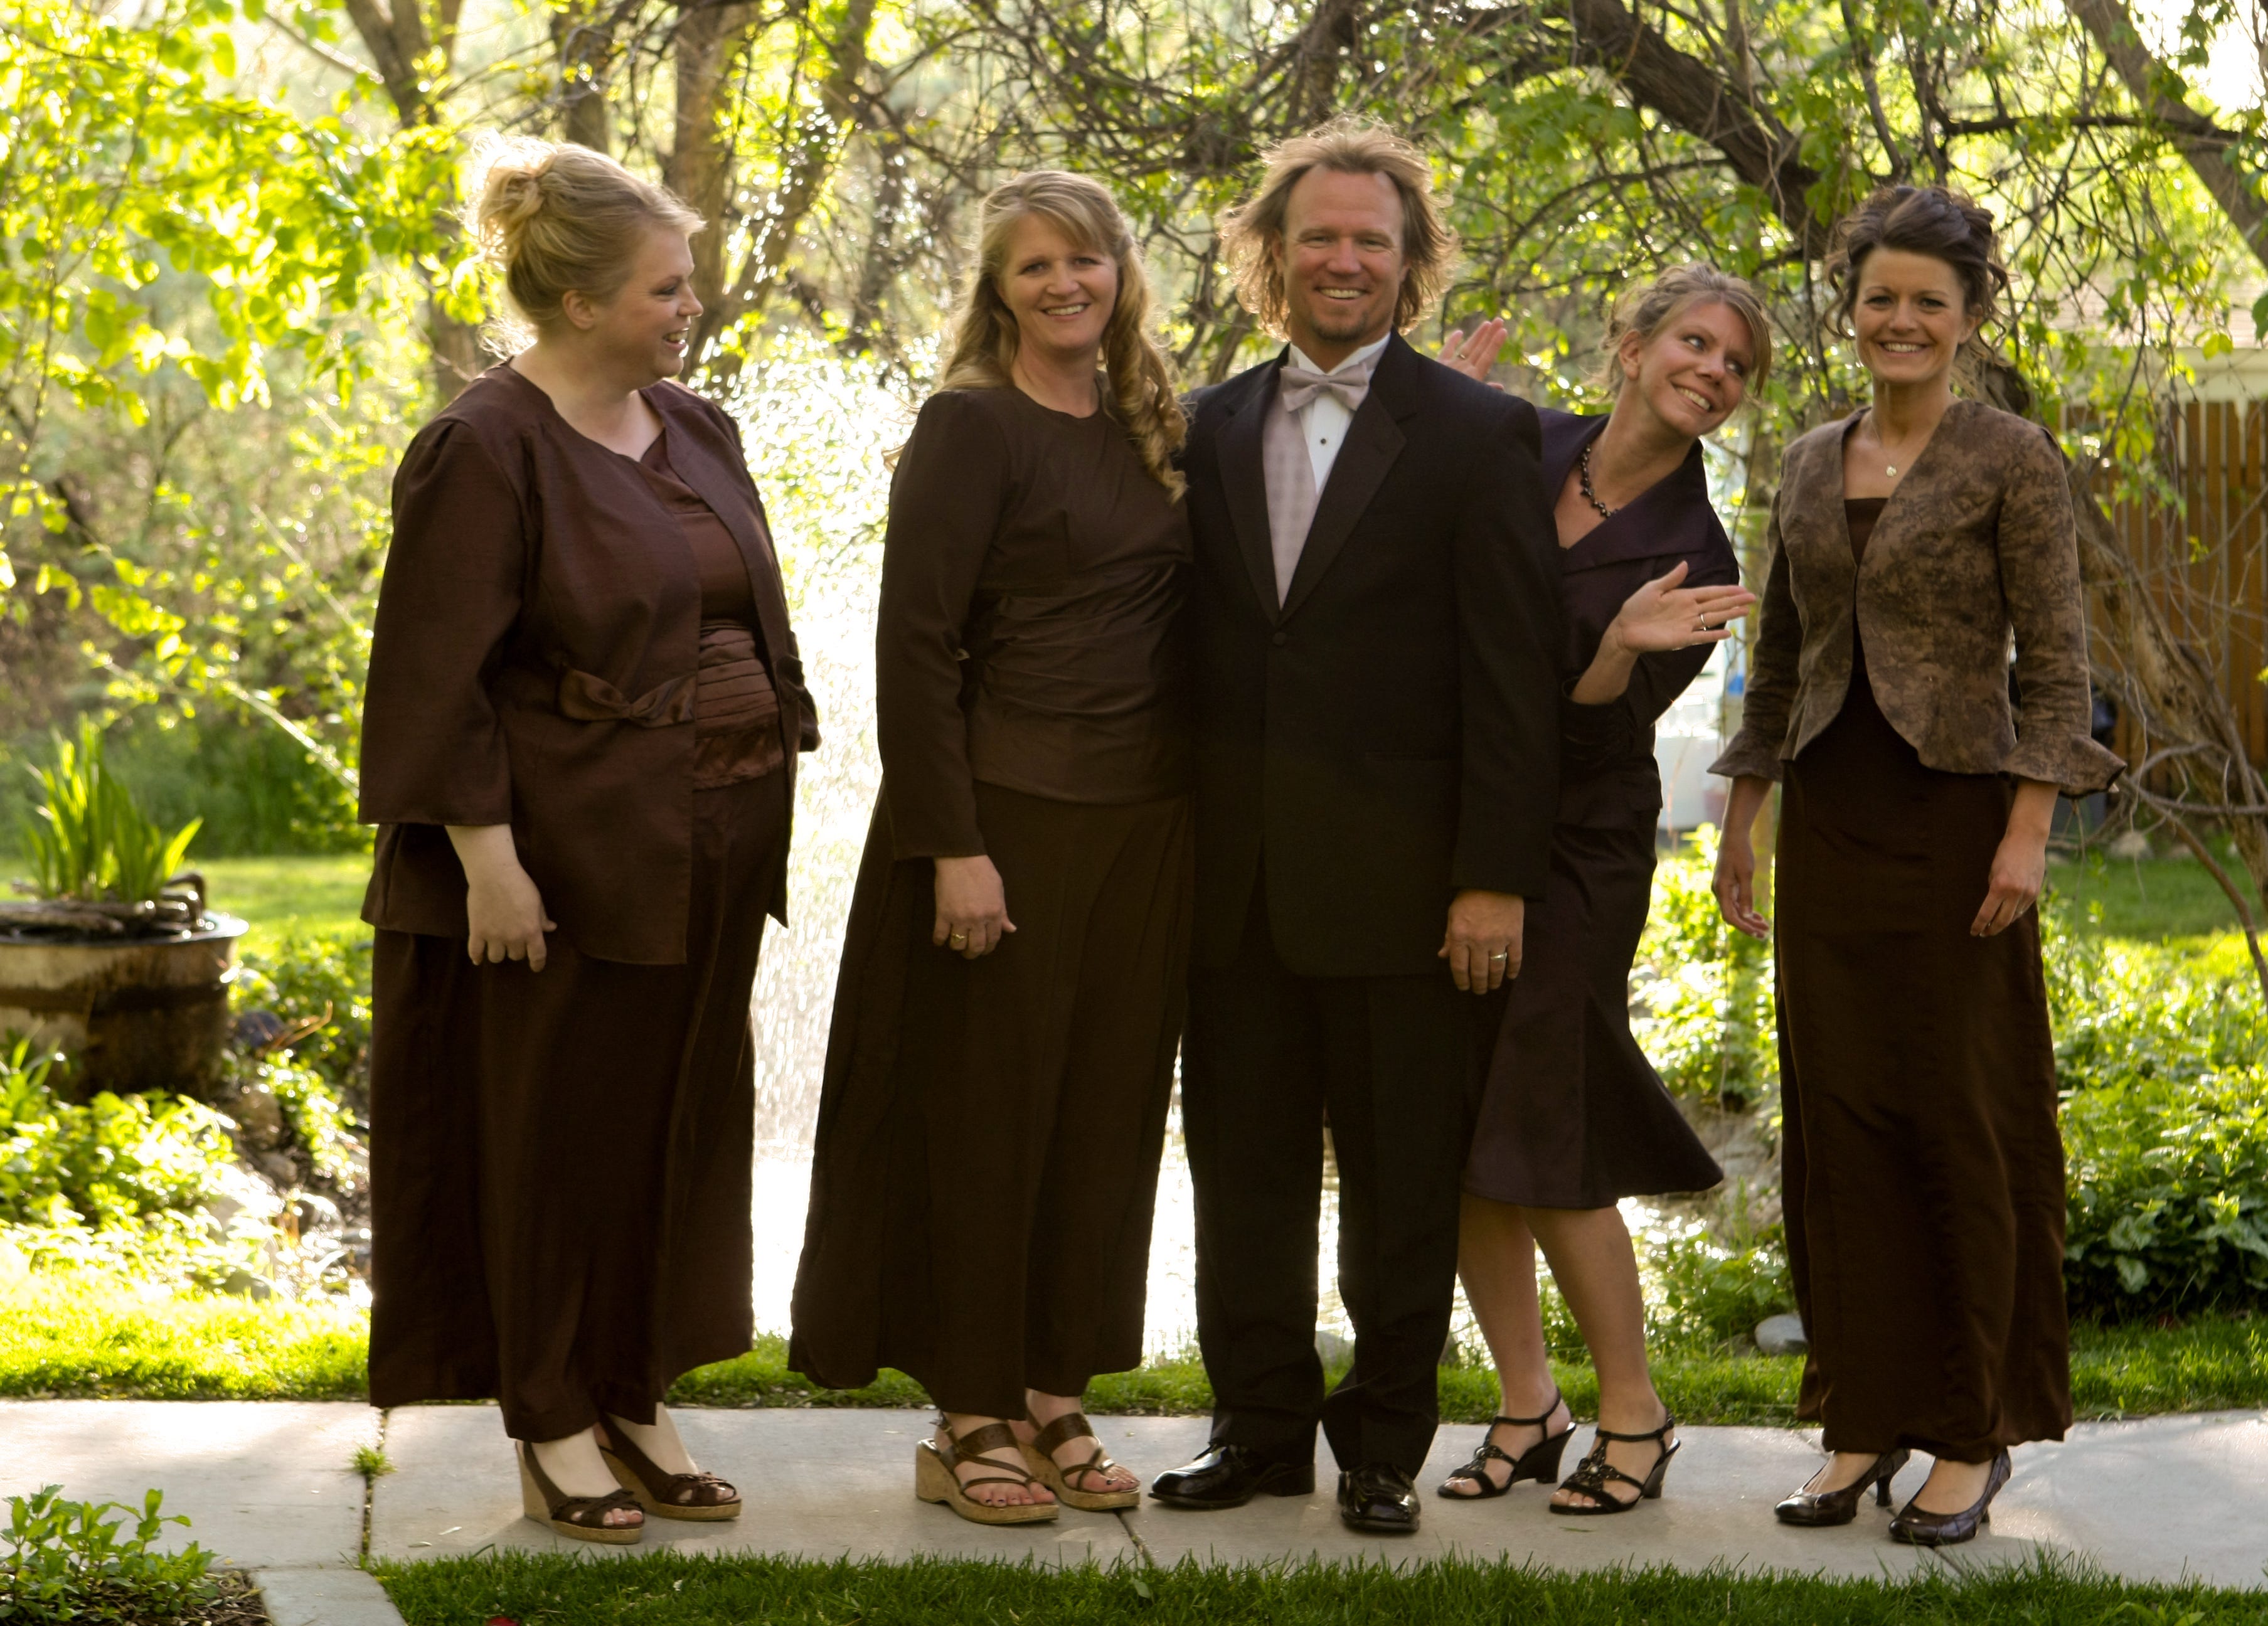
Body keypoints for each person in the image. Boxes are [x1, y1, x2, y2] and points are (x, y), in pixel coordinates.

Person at [358, 139, 818, 1543]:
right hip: (556, 864)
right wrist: (489, 861)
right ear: (575, 304)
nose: (689, 306)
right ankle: (550, 1414)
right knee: (551, 1140)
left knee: (667, 1132)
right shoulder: (483, 446)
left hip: (709, 847)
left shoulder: (696, 427)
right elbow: (437, 674)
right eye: (663, 289)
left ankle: (634, 1389)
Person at [1146, 118, 1563, 1538]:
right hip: (1237, 889)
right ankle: (1255, 1431)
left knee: (1398, 1188)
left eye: (1370, 240)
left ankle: (1384, 1442)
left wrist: (1492, 880)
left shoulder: (1484, 433)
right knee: (1243, 1178)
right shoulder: (1203, 425)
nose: (1343, 259)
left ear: (1411, 263)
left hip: (1410, 894)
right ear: (1271, 254)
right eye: (1317, 236)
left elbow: (1515, 679)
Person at [1708, 184, 2121, 1546]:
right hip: (1829, 817)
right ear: (1855, 308)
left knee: (1963, 1119)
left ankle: (1970, 1429)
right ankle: (1860, 1422)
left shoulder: (2012, 455)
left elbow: (2058, 662)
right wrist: (1740, 814)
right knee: (1843, 1124)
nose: (1900, 320)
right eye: (1880, 297)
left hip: (1957, 827)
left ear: (1967, 318)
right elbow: (1777, 656)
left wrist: (2025, 828)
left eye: (1927, 303)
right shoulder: (1811, 459)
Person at [788, 171, 1193, 1528]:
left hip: (1146, 832)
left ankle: (1054, 1391)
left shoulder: (1156, 429)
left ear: (1123, 271)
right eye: (1035, 269)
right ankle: (969, 1411)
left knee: (1103, 1116)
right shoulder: (971, 426)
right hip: (1002, 820)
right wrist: (953, 846)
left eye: (1085, 260)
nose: (1065, 285)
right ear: (1000, 291)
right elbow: (915, 646)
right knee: (987, 1120)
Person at [1429, 267, 1767, 1516]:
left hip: (1577, 848)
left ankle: (1636, 1413)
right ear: (1630, 345)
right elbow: (1413, 572)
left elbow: (1590, 741)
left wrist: (1620, 648)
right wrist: (1428, 423)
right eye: (1694, 341)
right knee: (1468, 1132)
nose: (1713, 371)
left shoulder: (1698, 554)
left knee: (1548, 1122)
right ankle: (1529, 1405)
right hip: (1457, 837)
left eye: (1736, 365)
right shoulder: (1516, 447)